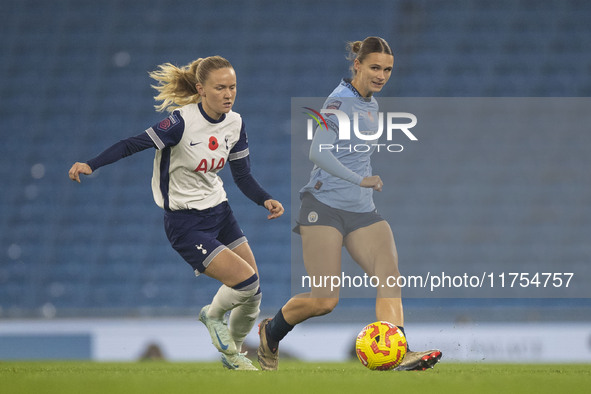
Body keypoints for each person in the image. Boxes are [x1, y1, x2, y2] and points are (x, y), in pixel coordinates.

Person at [69, 55, 284, 370]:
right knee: (246, 282)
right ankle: (212, 315)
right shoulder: (180, 123)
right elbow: (132, 144)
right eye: (220, 87)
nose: (228, 94)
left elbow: (242, 176)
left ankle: (233, 356)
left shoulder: (235, 123)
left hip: (220, 212)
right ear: (201, 89)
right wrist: (92, 163)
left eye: (233, 87)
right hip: (186, 223)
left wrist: (265, 199)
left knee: (254, 293)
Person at [257, 37, 441, 371]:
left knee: (390, 277)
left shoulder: (371, 104)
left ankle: (400, 351)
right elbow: (317, 151)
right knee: (324, 300)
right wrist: (360, 180)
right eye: (374, 67)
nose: (381, 75)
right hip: (324, 206)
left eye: (387, 69)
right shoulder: (339, 103)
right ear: (357, 65)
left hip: (360, 209)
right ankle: (270, 332)